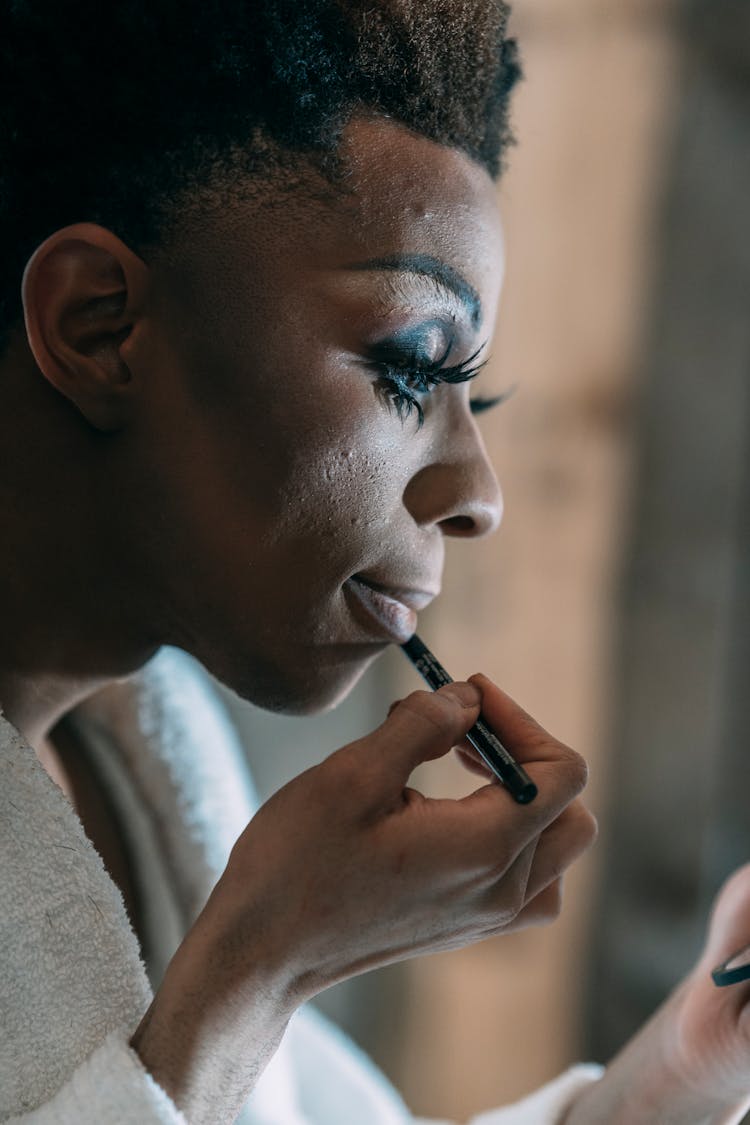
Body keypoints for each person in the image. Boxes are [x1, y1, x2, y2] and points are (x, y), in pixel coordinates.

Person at [0, 2, 748, 1123]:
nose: (482, 494)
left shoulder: (151, 758)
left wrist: (688, 1066)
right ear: (100, 322)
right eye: (410, 368)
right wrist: (264, 967)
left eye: (475, 398)